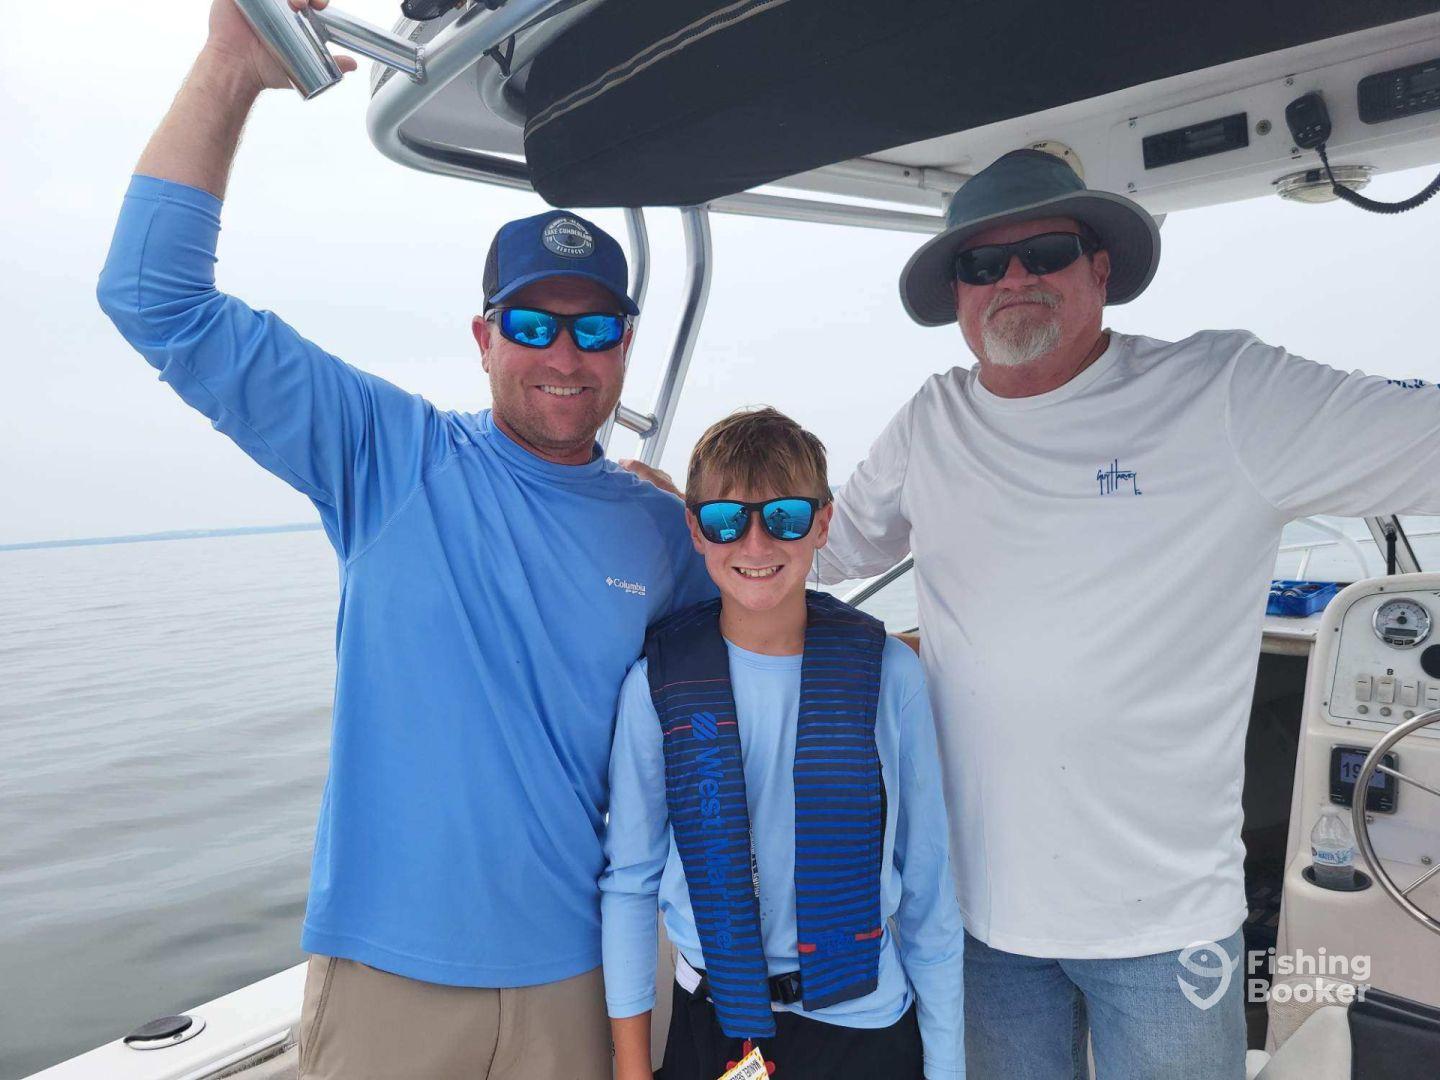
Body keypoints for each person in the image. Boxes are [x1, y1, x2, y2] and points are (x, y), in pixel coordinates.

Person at [95, 2, 711, 1077]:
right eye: (530, 324)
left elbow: (745, 694)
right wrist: (229, 70)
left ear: (623, 346)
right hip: (391, 982)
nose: (562, 354)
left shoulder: (661, 530)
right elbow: (155, 299)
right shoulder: (385, 454)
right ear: (482, 338)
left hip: (591, 976)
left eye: (593, 327)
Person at [817, 147, 1440, 1077]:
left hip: (1164, 923)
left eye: (1046, 251)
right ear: (958, 295)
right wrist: (668, 512)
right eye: (983, 264)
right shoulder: (928, 421)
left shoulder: (1226, 393)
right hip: (980, 918)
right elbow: (821, 550)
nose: (1014, 278)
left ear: (1100, 267)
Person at [601, 408, 964, 1080]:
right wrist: (631, 1068)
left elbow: (928, 893)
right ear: (695, 529)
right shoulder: (657, 687)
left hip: (865, 1028)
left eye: (787, 518)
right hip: (713, 1024)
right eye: (726, 521)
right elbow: (630, 883)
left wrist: (946, 1069)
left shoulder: (891, 677)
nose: (757, 544)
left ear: (823, 523)